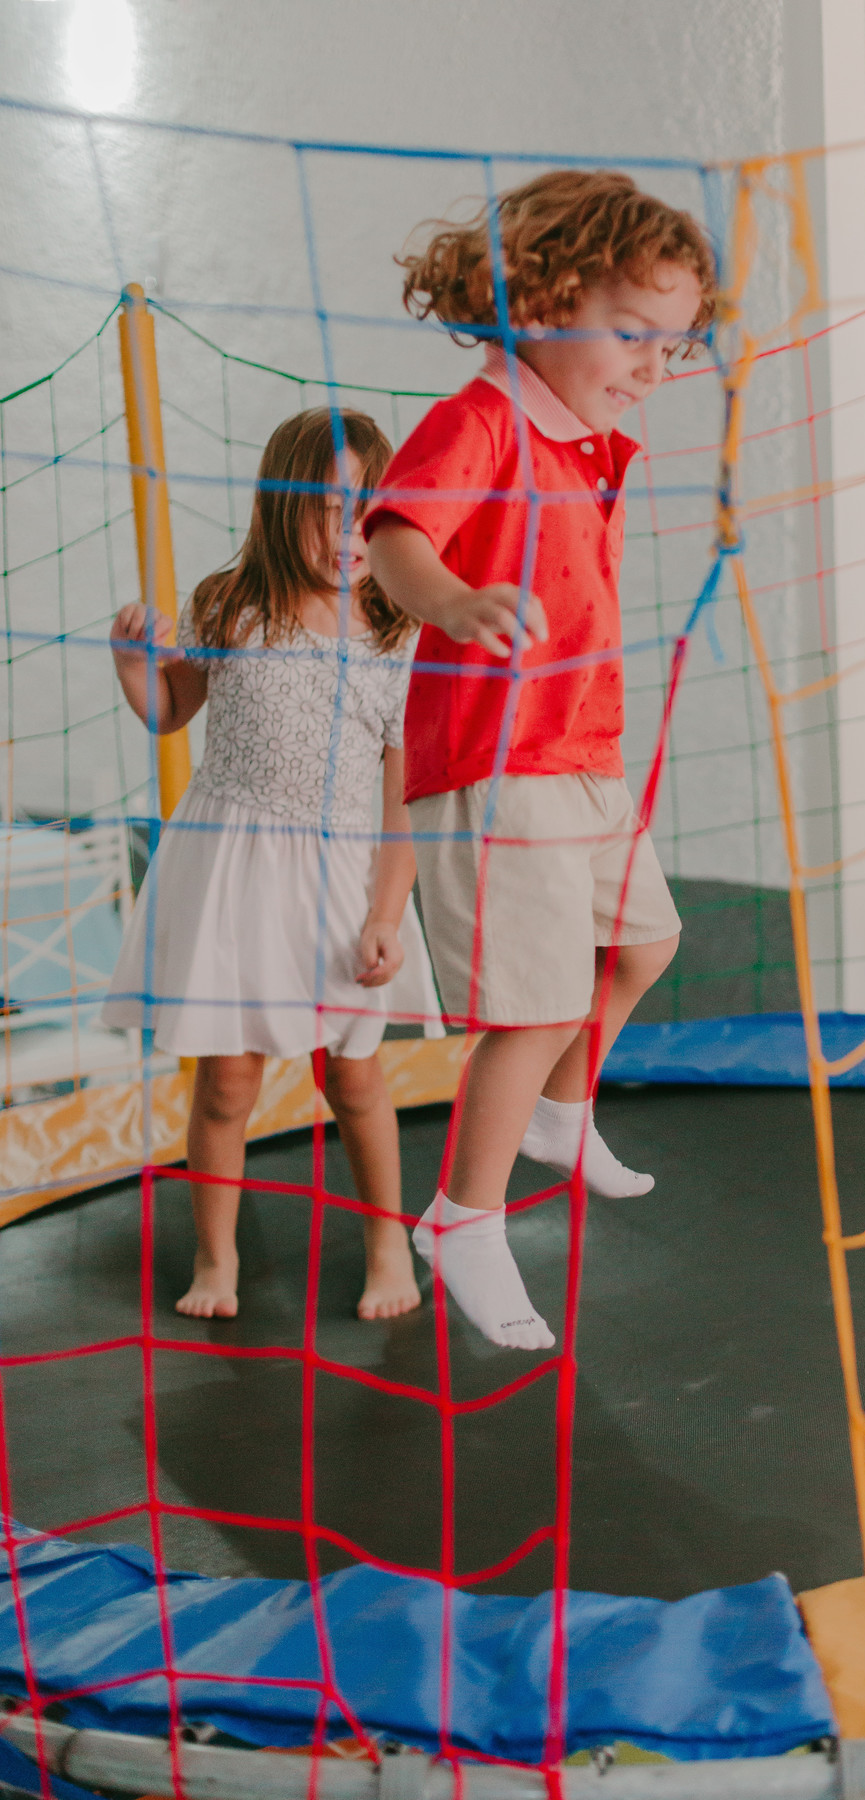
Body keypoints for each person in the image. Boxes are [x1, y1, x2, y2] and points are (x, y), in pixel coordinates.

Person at [364, 169, 718, 1351]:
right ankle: (462, 1217)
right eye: (631, 335)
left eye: (674, 345)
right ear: (548, 299)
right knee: (536, 1003)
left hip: (583, 747)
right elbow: (397, 540)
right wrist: (453, 601)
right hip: (494, 755)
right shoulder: (485, 418)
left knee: (650, 941)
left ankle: (564, 1116)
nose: (654, 368)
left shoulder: (592, 438)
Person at [103, 408, 434, 1324]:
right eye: (327, 507)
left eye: (367, 509)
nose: (348, 531)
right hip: (229, 867)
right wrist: (134, 664)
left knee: (354, 1076)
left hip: (340, 877)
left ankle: (385, 1243)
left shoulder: (398, 636)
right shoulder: (231, 604)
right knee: (227, 1084)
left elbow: (402, 800)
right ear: (279, 506)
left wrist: (384, 913)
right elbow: (170, 709)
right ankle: (216, 1261)